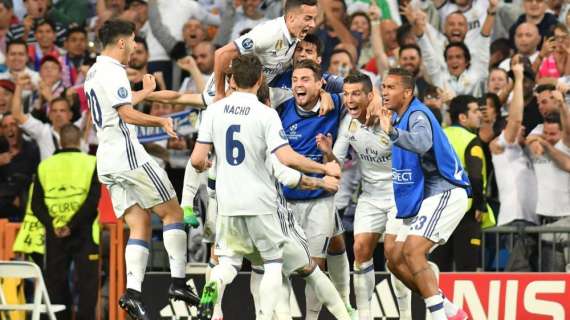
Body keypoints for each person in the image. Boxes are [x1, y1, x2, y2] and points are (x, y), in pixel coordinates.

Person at [190, 54, 344, 320]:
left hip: (227, 204)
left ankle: (213, 285)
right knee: (273, 264)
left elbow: (196, 160)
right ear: (260, 78)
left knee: (227, 263)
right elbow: (286, 159)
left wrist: (209, 164)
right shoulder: (266, 114)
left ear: (232, 80)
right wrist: (323, 168)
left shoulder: (214, 111)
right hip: (261, 203)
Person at [83, 19, 197, 320]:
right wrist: (160, 120)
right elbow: (126, 114)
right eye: (132, 41)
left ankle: (132, 294)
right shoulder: (115, 71)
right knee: (173, 213)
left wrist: (144, 93)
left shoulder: (94, 72)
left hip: (107, 160)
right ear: (121, 42)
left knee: (140, 225)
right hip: (128, 155)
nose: (134, 46)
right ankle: (178, 283)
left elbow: (117, 105)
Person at [378, 68, 470, 320]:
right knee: (395, 260)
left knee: (413, 252)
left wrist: (392, 133)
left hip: (446, 190)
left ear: (407, 92)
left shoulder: (418, 113)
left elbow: (422, 143)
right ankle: (450, 310)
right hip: (425, 195)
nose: (384, 92)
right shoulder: (397, 115)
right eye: (383, 87)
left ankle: (440, 316)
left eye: (391, 87)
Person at [316, 72, 407, 319]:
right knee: (360, 250)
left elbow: (412, 153)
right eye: (346, 94)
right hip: (369, 196)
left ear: (370, 95)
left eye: (355, 94)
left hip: (398, 196)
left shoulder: (391, 119)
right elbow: (336, 162)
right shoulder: (349, 123)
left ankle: (406, 315)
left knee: (393, 255)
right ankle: (364, 315)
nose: (349, 99)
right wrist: (327, 153)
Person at [276, 60, 355, 319]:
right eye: (295, 79)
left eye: (305, 79)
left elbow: (364, 93)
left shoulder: (335, 106)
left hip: (319, 200)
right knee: (281, 266)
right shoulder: (280, 111)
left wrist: (332, 96)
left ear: (320, 83)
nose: (299, 84)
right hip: (285, 200)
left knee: (315, 265)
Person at [31, 124, 100, 320]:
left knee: (55, 284)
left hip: (55, 233)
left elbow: (36, 205)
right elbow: (92, 201)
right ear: (79, 141)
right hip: (85, 232)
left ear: (60, 141)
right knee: (87, 285)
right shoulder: (92, 162)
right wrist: (72, 225)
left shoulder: (44, 166)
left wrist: (54, 224)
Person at [211, 0, 318, 101]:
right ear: (291, 18)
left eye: (313, 19)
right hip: (229, 90)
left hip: (257, 92)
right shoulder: (268, 34)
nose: (313, 24)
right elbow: (222, 54)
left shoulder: (296, 35)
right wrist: (220, 93)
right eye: (308, 18)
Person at [431, 95, 488, 271]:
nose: (480, 115)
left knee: (439, 268)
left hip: (437, 211)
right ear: (462, 117)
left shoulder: (438, 137)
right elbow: (476, 176)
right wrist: (480, 204)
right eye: (476, 111)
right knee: (467, 269)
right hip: (465, 211)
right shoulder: (471, 140)